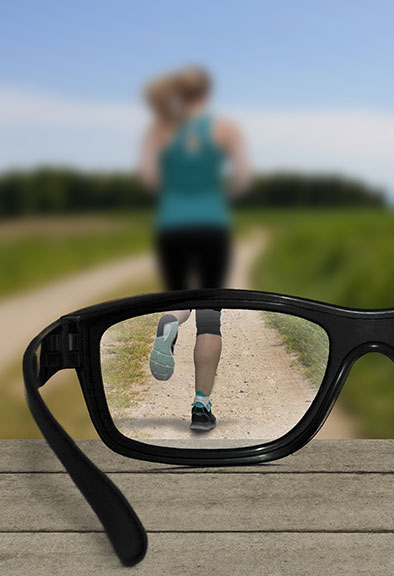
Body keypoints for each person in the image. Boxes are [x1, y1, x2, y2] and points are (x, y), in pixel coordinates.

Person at [138, 65, 252, 432]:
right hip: (211, 225)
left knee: (179, 298)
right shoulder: (225, 129)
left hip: (172, 224)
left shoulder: (161, 129)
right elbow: (242, 178)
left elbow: (149, 177)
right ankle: (201, 406)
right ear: (207, 91)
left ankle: (170, 321)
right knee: (209, 316)